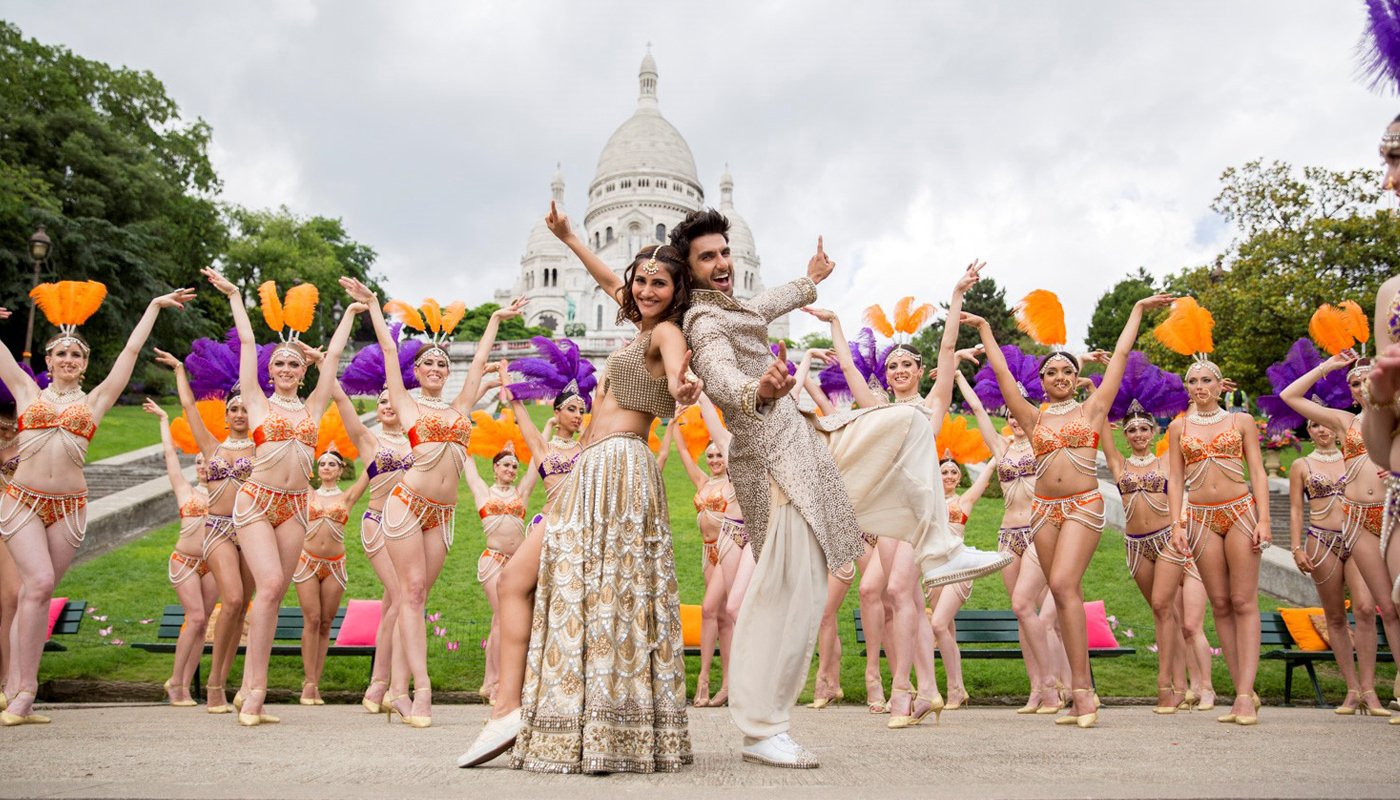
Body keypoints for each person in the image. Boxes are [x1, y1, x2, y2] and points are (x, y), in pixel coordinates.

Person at [671, 207, 1007, 768]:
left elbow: (772, 300)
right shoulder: (705, 325)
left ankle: (941, 551)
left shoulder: (735, 307)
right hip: (778, 472)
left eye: (725, 251)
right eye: (708, 257)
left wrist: (812, 278)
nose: (723, 262)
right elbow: (722, 378)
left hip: (812, 444)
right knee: (789, 601)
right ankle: (762, 730)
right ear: (691, 271)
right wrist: (758, 388)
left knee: (908, 423)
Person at [457, 200, 700, 773]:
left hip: (618, 467)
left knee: (566, 586)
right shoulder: (637, 315)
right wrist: (567, 236)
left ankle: (521, 712)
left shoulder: (666, 332)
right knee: (526, 581)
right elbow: (606, 276)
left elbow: (673, 366)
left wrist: (682, 384)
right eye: (640, 280)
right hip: (586, 470)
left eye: (657, 282)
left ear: (675, 289)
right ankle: (512, 710)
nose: (643, 289)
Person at [975, 289, 1174, 728]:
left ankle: (1083, 693)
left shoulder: (1093, 409)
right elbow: (1005, 374)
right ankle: (1079, 693)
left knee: (1064, 584)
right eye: (1052, 371)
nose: (1060, 376)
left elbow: (1120, 355)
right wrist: (987, 331)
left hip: (1083, 506)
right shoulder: (1032, 418)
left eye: (1067, 370)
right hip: (1043, 512)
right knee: (1065, 595)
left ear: (1075, 375)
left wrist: (1137, 309)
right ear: (1042, 381)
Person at [0, 281, 193, 725]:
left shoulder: (96, 401)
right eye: (61, 353)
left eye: (77, 354)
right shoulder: (27, 393)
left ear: (85, 365)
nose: (68, 359)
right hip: (22, 502)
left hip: (69, 507)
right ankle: (23, 691)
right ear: (48, 361)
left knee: (37, 591)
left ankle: (16, 685)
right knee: (39, 583)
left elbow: (128, 353)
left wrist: (152, 306)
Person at [338, 280, 523, 729]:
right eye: (428, 363)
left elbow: (479, 364)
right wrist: (374, 308)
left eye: (442, 362)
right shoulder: (404, 403)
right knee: (412, 594)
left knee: (413, 600)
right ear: (417, 371)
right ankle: (421, 693)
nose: (437, 367)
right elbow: (386, 348)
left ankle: (395, 690)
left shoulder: (461, 406)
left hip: (441, 515)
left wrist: (496, 320)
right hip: (405, 505)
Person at [203, 269, 361, 727]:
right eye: (280, 364)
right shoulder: (255, 401)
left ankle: (253, 692)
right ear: (269, 372)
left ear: (302, 370)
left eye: (295, 364)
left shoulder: (313, 407)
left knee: (274, 593)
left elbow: (331, 361)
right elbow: (250, 344)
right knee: (270, 586)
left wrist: (352, 311)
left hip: (295, 507)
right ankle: (253, 695)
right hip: (255, 502)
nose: (288, 369)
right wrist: (235, 295)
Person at [1156, 298, 1272, 727]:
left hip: (1239, 512)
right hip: (1201, 518)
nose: (1199, 386)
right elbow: (1175, 479)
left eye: (1207, 380)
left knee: (1243, 600)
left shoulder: (1240, 423)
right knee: (1220, 603)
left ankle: (1244, 695)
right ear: (1186, 387)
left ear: (1221, 385)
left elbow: (1257, 471)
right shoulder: (1178, 428)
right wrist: (1176, 525)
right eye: (1193, 381)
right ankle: (1240, 689)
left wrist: (1263, 518)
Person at [1281, 347, 1400, 713]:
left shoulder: (1396, 419)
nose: (1360, 385)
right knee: (1376, 608)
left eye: (1366, 379)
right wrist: (1327, 367)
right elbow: (1290, 396)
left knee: (1387, 604)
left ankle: (1386, 686)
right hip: (1356, 520)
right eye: (1353, 382)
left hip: (1391, 515)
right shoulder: (1343, 423)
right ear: (1348, 390)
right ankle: (1370, 690)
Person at [152, 344, 254, 714]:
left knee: (242, 608)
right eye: (234, 409)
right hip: (217, 531)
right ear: (225, 416)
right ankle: (212, 686)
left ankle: (222, 683)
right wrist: (181, 371)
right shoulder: (211, 447)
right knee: (232, 600)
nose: (240, 414)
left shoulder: (263, 451)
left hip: (252, 532)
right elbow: (190, 409)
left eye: (245, 408)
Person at [1288, 418, 1387, 714]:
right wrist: (1295, 548)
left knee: (1366, 610)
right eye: (1314, 425)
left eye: (1325, 424)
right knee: (1335, 616)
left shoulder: (1355, 456)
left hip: (1358, 536)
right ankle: (1352, 690)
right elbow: (1296, 508)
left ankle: (1370, 691)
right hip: (1321, 539)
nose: (1322, 430)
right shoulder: (1301, 465)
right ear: (1308, 432)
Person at [661, 399, 742, 708]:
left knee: (709, 609)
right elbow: (682, 454)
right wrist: (674, 425)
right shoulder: (703, 481)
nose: (713, 459)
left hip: (727, 548)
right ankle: (728, 684)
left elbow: (724, 440)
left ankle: (705, 680)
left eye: (718, 454)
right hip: (706, 553)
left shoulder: (734, 482)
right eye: (710, 455)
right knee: (720, 617)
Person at [143, 398, 216, 707]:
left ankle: (184, 683)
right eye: (197, 461)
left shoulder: (228, 493)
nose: (201, 465)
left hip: (212, 564)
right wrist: (163, 420)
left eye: (206, 461)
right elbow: (170, 455)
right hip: (184, 561)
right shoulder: (185, 490)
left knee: (202, 624)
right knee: (196, 616)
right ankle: (175, 682)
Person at [464, 431, 537, 708]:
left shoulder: (521, 494)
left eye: (514, 466)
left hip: (515, 563)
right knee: (502, 617)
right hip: (493, 560)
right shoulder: (483, 492)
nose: (510, 469)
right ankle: (493, 682)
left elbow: (536, 464)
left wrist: (547, 428)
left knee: (508, 621)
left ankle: (498, 682)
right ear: (495, 468)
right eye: (505, 464)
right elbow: (467, 463)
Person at [294, 447, 367, 706]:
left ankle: (316, 682)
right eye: (322, 463)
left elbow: (369, 472)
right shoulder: (307, 493)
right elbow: (294, 464)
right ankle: (308, 683)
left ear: (340, 469)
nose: (325, 467)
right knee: (312, 619)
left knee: (325, 622)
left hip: (335, 565)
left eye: (331, 464)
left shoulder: (346, 498)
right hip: (307, 563)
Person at [930, 440, 997, 711]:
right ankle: (955, 688)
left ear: (959, 478)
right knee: (945, 630)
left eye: (953, 473)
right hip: (933, 571)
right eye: (943, 472)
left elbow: (985, 477)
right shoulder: (928, 501)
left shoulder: (964, 501)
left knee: (937, 625)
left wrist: (996, 455)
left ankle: (955, 689)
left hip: (957, 567)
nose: (948, 476)